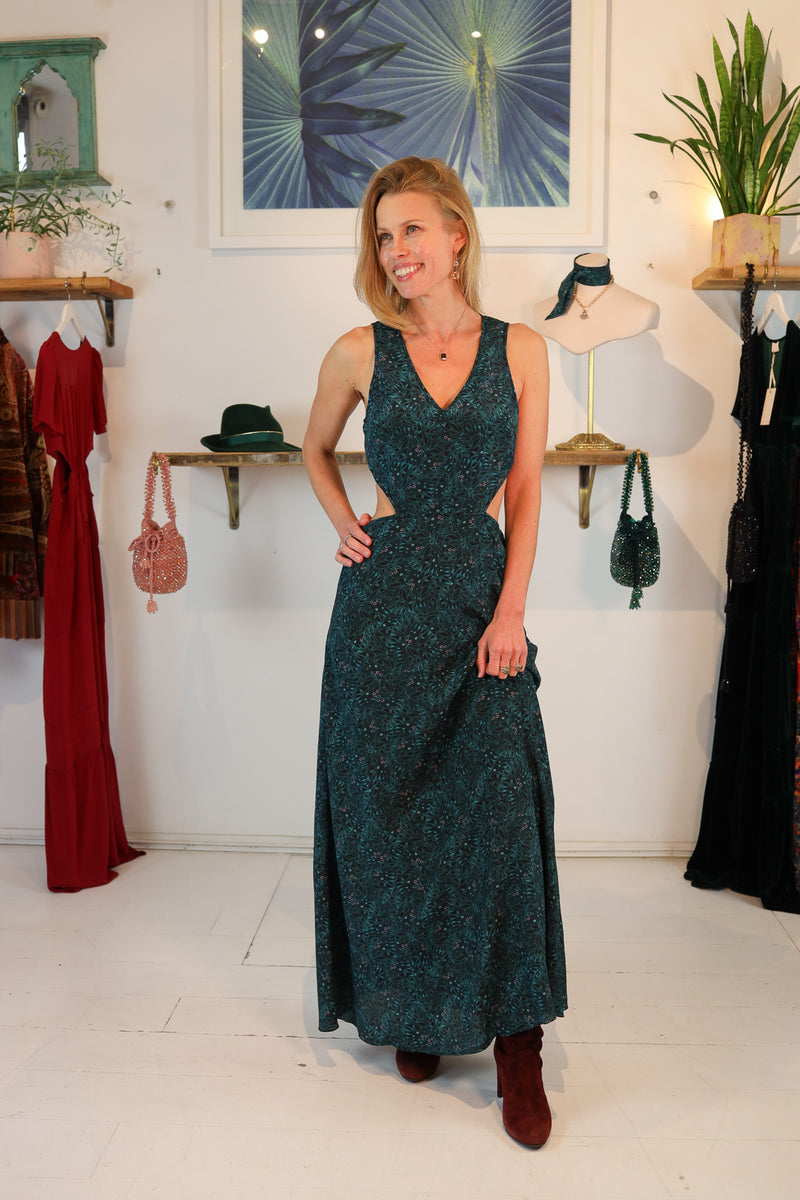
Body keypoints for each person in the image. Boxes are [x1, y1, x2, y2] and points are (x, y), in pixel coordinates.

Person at [303, 157, 567, 1149]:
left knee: (499, 812)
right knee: (391, 818)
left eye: (411, 229)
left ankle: (516, 1044)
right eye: (382, 236)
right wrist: (345, 521)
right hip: (380, 615)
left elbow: (526, 491)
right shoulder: (358, 351)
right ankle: (413, 1011)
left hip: (478, 607)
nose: (395, 251)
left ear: (457, 233)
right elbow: (313, 448)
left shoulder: (521, 349)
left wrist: (510, 613)